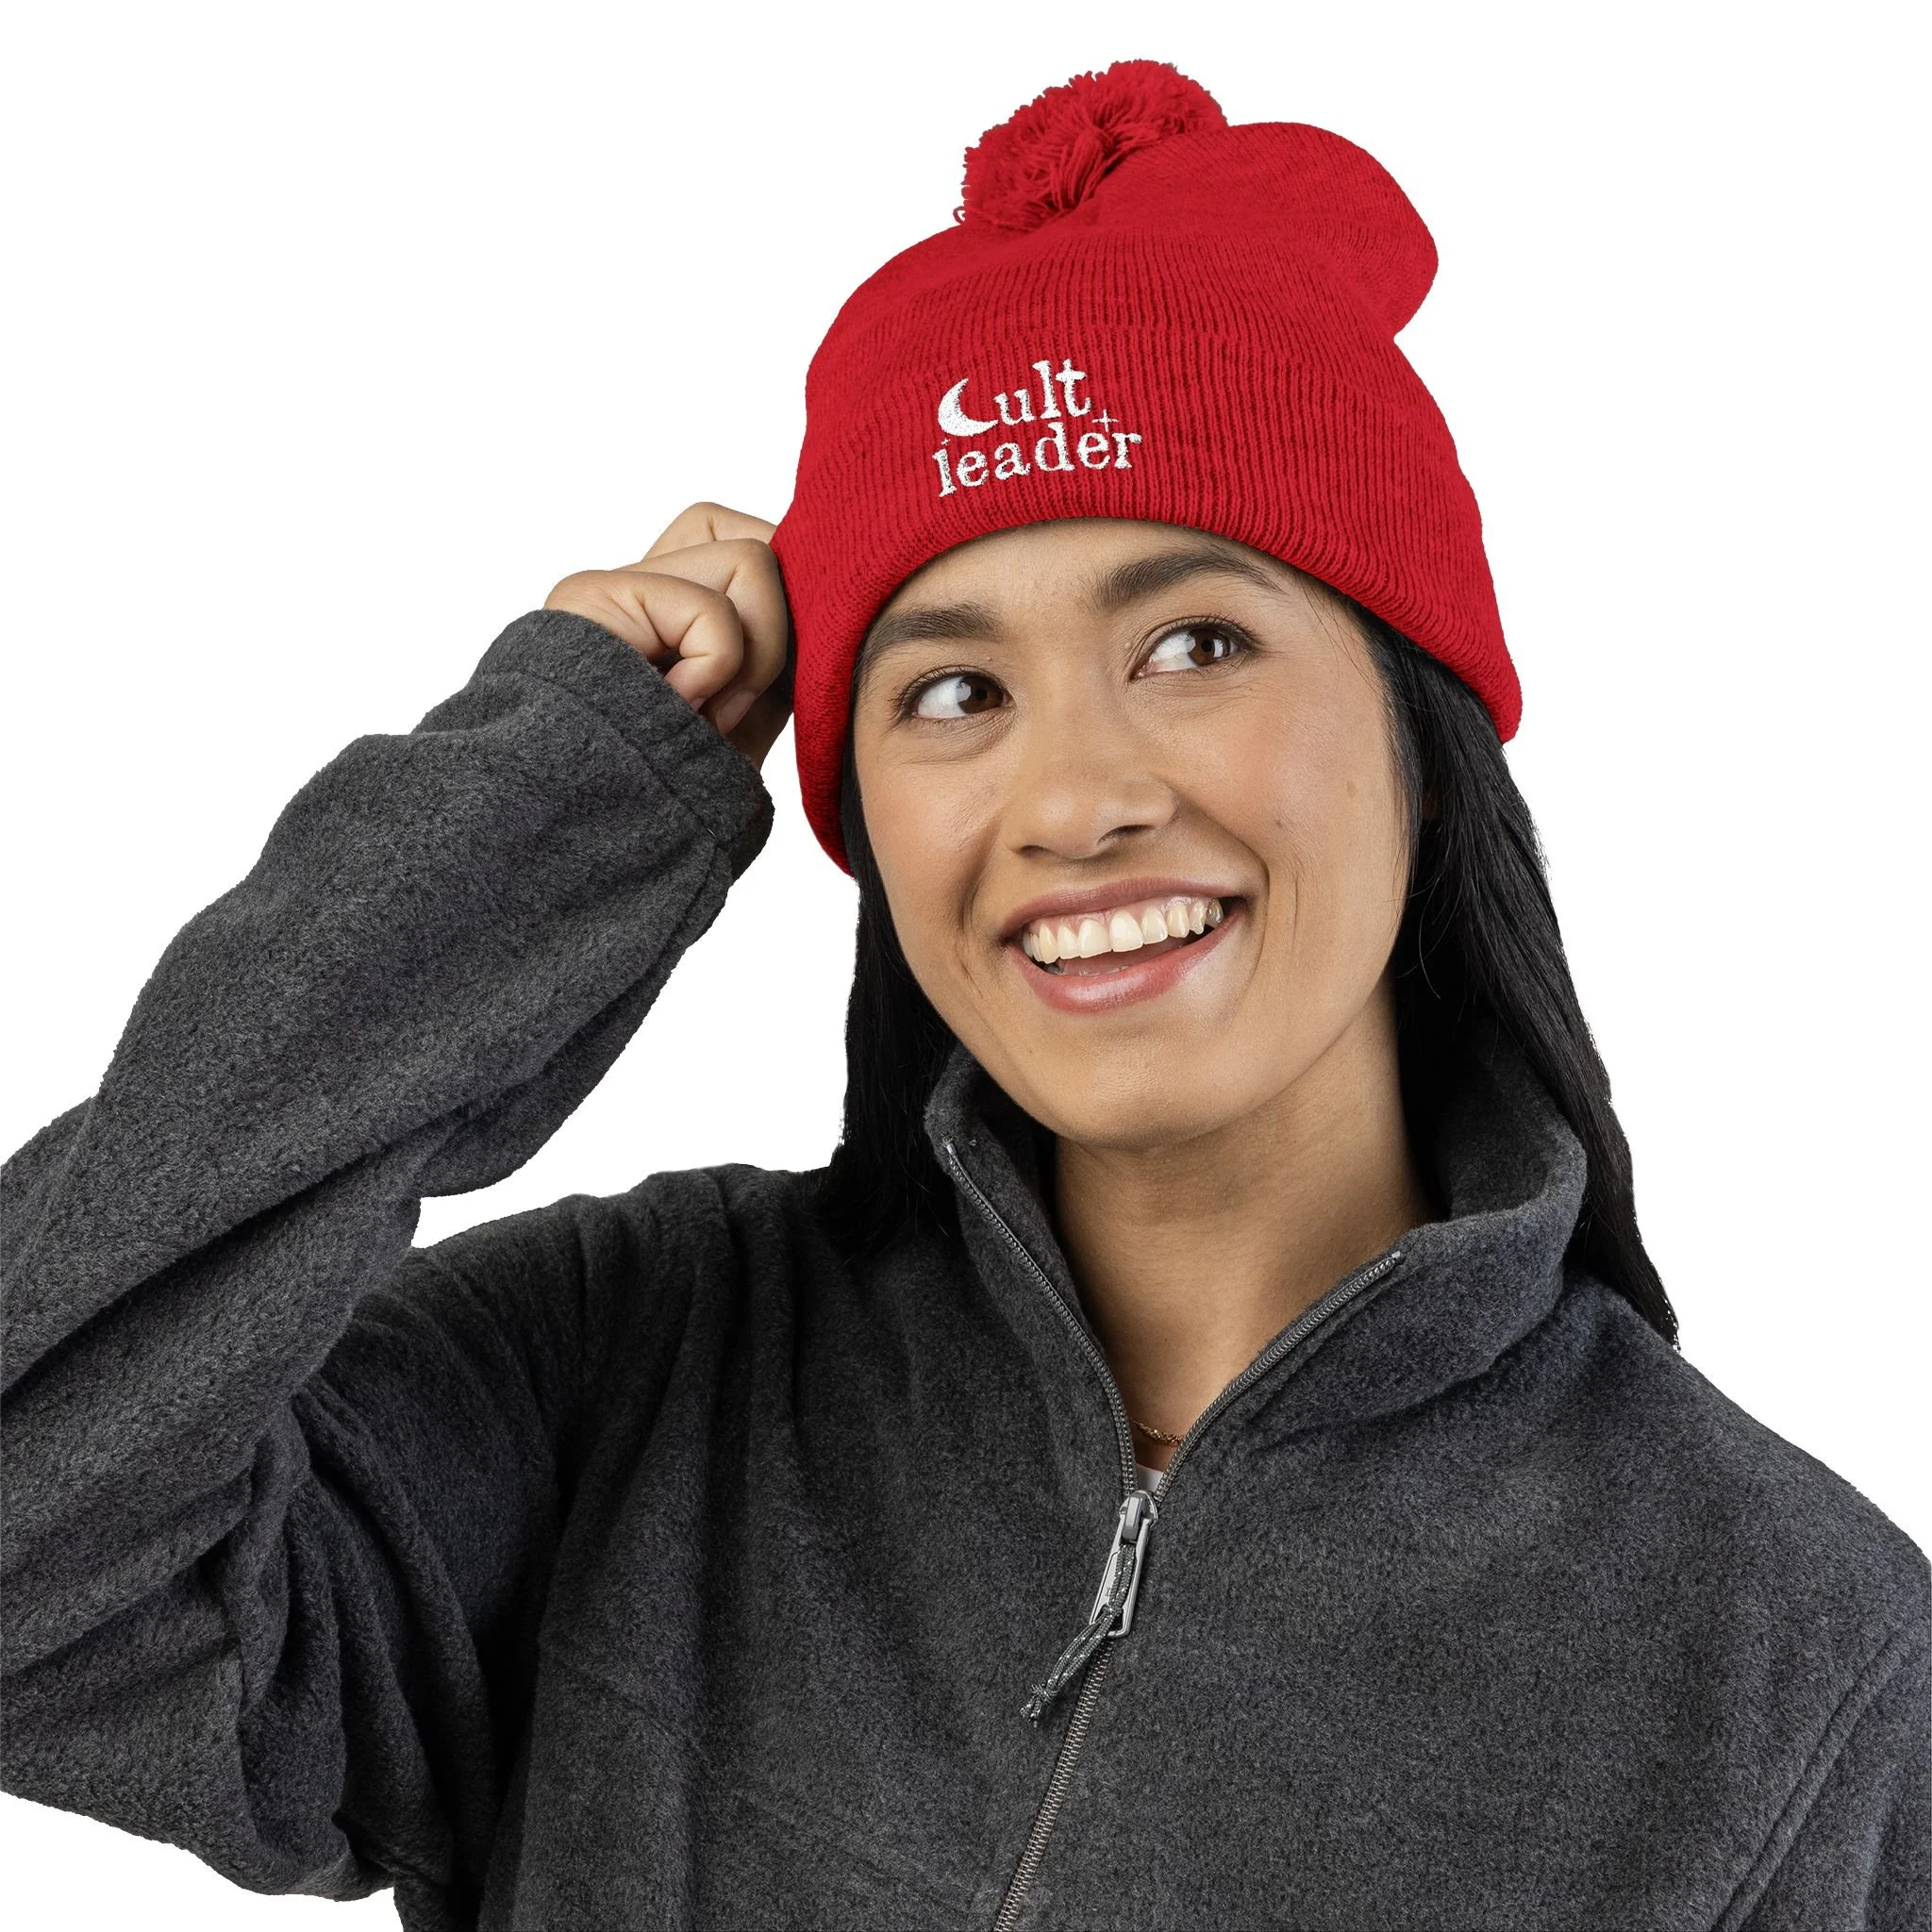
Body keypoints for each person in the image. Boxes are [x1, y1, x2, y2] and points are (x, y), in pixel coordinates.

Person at [3, 58, 1925, 1932]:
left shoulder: (1796, 1664)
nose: (1073, 798)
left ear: (1419, 731)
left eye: (1195, 644)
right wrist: (554, 800)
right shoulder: (635, 1371)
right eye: (948, 690)